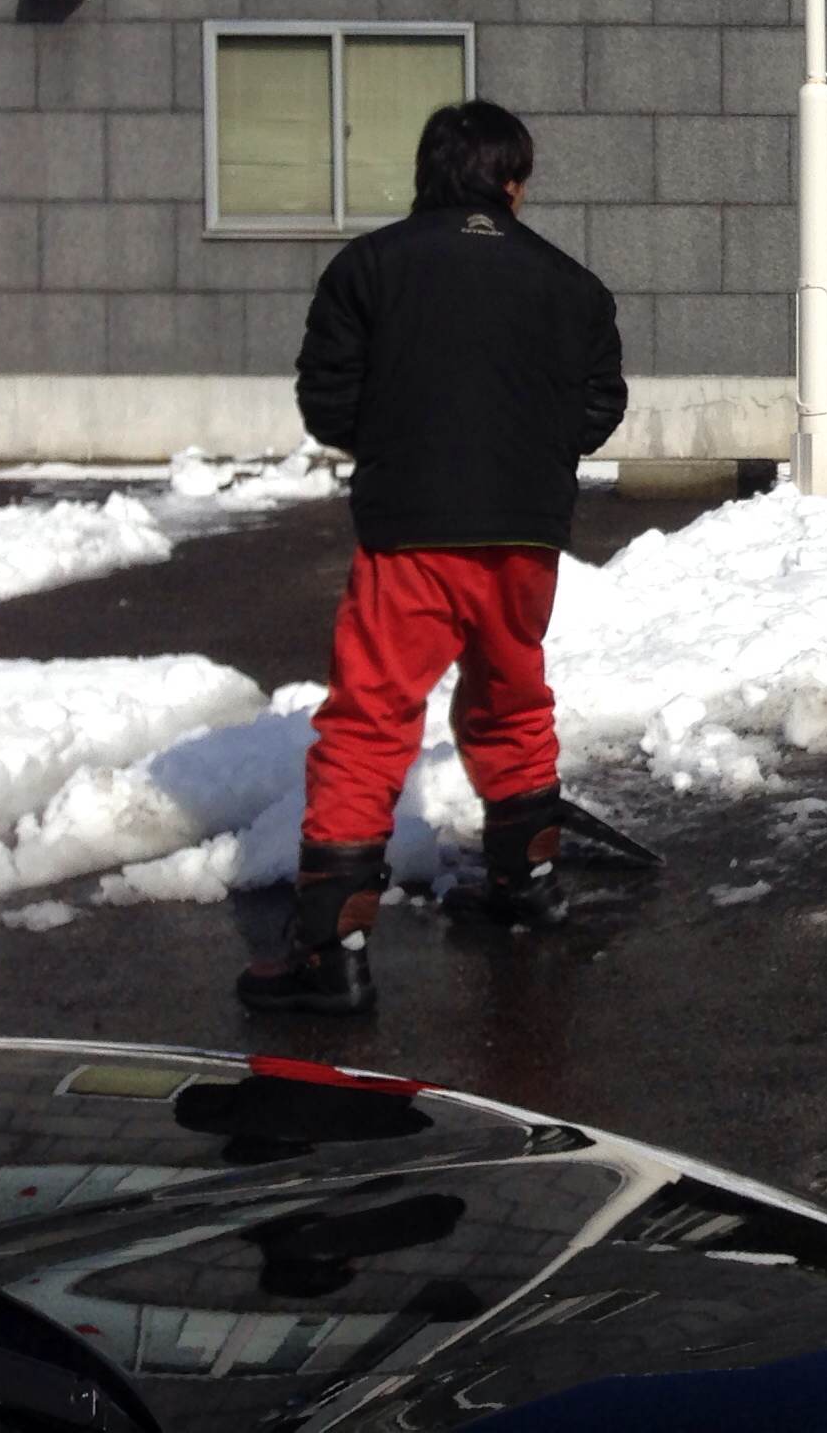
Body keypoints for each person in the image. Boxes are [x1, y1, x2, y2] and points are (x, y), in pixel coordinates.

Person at [241, 100, 627, 1017]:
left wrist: (403, 449)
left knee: (373, 717)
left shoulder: (370, 266)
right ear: (514, 181)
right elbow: (599, 404)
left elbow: (328, 400)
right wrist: (525, 459)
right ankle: (525, 882)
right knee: (510, 695)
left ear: (427, 176)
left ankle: (331, 947)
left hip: (411, 531)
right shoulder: (572, 284)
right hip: (527, 535)